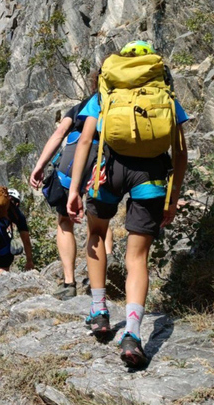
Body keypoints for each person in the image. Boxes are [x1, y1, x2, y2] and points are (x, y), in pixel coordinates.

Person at [66, 40, 189, 368]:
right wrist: (172, 197)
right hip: (151, 176)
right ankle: (133, 332)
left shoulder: (105, 93)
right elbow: (180, 152)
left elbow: (85, 143)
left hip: (108, 171)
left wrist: (74, 189)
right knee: (137, 257)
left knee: (96, 234)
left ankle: (99, 310)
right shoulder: (164, 96)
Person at [29, 89, 113, 300]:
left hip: (74, 159)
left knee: (64, 220)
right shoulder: (120, 103)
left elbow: (59, 135)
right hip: (106, 163)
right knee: (100, 221)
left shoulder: (82, 106)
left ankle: (69, 283)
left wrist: (40, 165)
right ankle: (108, 270)